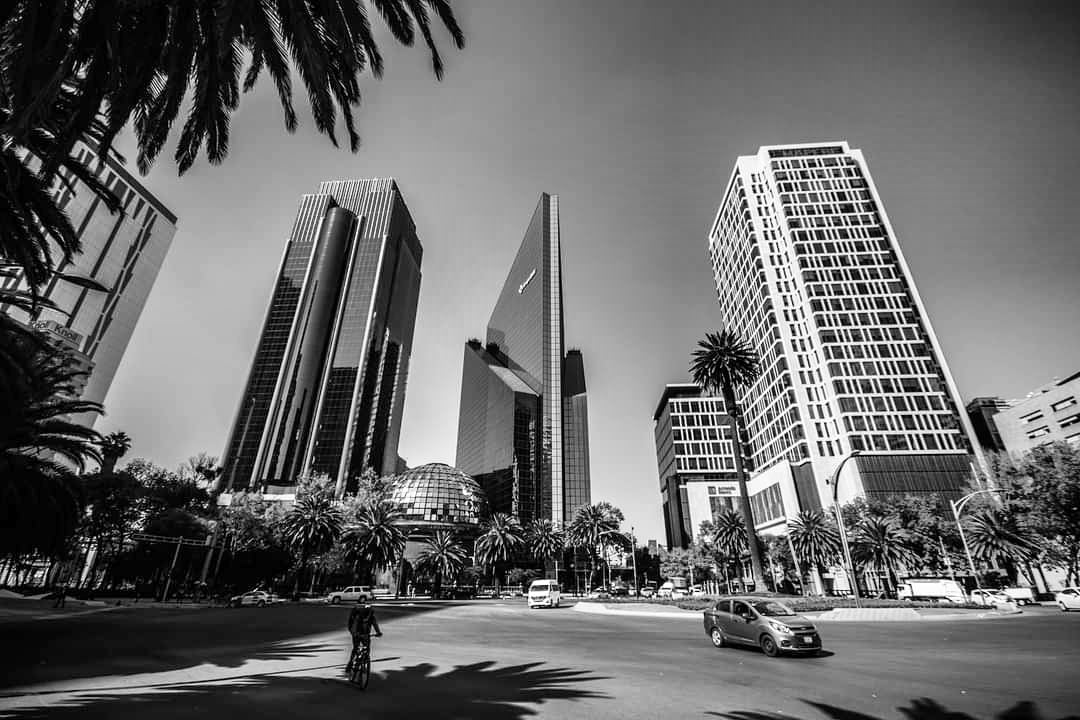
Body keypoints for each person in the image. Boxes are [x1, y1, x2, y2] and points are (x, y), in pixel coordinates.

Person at [346, 598, 382, 671]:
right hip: (366, 634)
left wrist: (351, 632)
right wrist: (378, 632)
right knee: (367, 649)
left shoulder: (356, 612)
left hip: (356, 633)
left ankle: (350, 664)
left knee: (355, 648)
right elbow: (375, 624)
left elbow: (350, 623)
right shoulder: (370, 614)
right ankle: (364, 661)